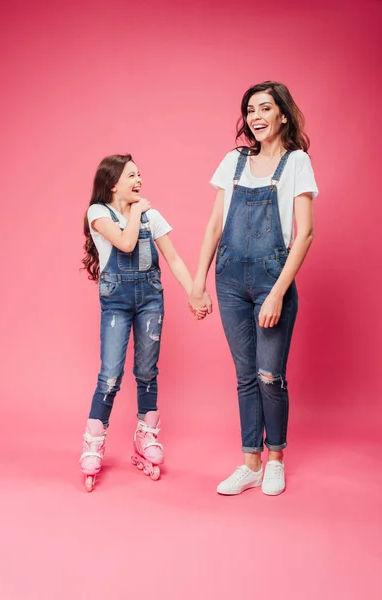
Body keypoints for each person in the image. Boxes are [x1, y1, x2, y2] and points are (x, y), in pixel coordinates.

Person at [189, 81, 318, 496]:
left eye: (265, 108)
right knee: (245, 376)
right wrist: (198, 281)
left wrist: (279, 292)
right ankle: (250, 463)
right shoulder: (234, 161)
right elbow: (213, 226)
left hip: (271, 279)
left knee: (269, 376)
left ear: (283, 114)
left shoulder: (297, 162)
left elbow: (305, 234)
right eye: (250, 110)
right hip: (228, 279)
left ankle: (275, 458)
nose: (256, 117)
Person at [80, 154, 201, 491]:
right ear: (114, 181)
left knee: (147, 371)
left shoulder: (153, 216)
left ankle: (146, 435)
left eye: (140, 175)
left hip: (150, 300)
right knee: (110, 375)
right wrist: (135, 210)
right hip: (116, 303)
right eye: (132, 175)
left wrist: (194, 292)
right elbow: (126, 242)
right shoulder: (98, 213)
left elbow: (173, 258)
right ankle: (93, 442)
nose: (139, 181)